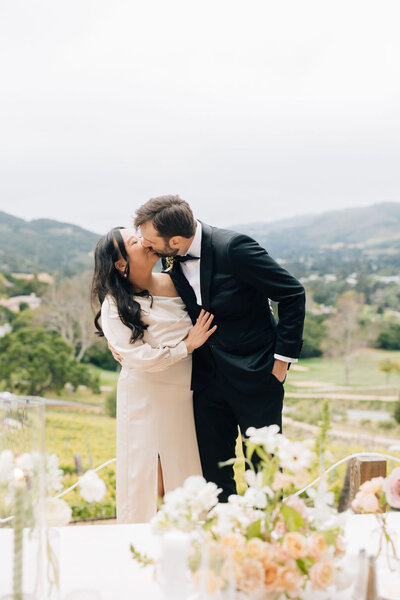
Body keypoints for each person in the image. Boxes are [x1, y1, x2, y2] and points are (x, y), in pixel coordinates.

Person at [130, 195, 306, 502]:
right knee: (213, 471)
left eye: (150, 241)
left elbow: (292, 293)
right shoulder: (173, 256)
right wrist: (120, 339)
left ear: (175, 240)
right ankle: (224, 529)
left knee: (263, 469)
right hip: (206, 381)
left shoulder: (234, 248)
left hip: (256, 375)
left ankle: (266, 531)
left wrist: (281, 362)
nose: (146, 246)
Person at [91, 226, 216, 523]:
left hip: (187, 393)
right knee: (145, 472)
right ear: (120, 263)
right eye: (135, 241)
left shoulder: (178, 280)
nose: (144, 241)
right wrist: (186, 346)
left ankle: (191, 539)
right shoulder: (115, 305)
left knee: (186, 466)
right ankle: (140, 540)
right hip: (145, 394)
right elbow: (138, 358)